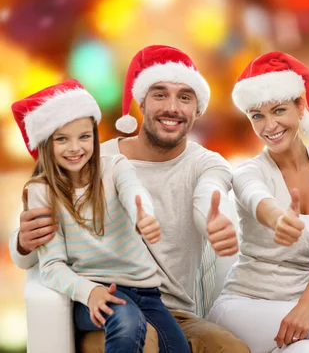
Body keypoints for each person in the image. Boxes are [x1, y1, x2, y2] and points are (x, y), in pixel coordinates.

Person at [10, 45, 249, 353]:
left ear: (198, 109)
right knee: (140, 339)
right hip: (105, 307)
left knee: (231, 349)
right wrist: (24, 241)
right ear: (141, 101)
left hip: (172, 313)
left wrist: (212, 220)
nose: (172, 107)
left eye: (185, 97)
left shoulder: (207, 163)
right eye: (160, 94)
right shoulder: (93, 158)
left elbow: (209, 193)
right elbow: (29, 255)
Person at [11, 79, 189, 353]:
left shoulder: (115, 167)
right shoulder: (42, 191)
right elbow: (51, 266)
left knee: (178, 348)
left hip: (147, 292)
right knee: (127, 322)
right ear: (46, 143)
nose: (75, 148)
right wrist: (89, 292)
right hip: (92, 290)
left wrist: (143, 214)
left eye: (84, 136)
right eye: (62, 139)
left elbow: (134, 191)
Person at [208, 51, 309, 353]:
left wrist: (307, 304)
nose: (269, 126)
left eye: (278, 110)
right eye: (257, 116)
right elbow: (256, 198)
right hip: (244, 307)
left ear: (300, 106)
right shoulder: (249, 171)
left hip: (298, 312)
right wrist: (278, 218)